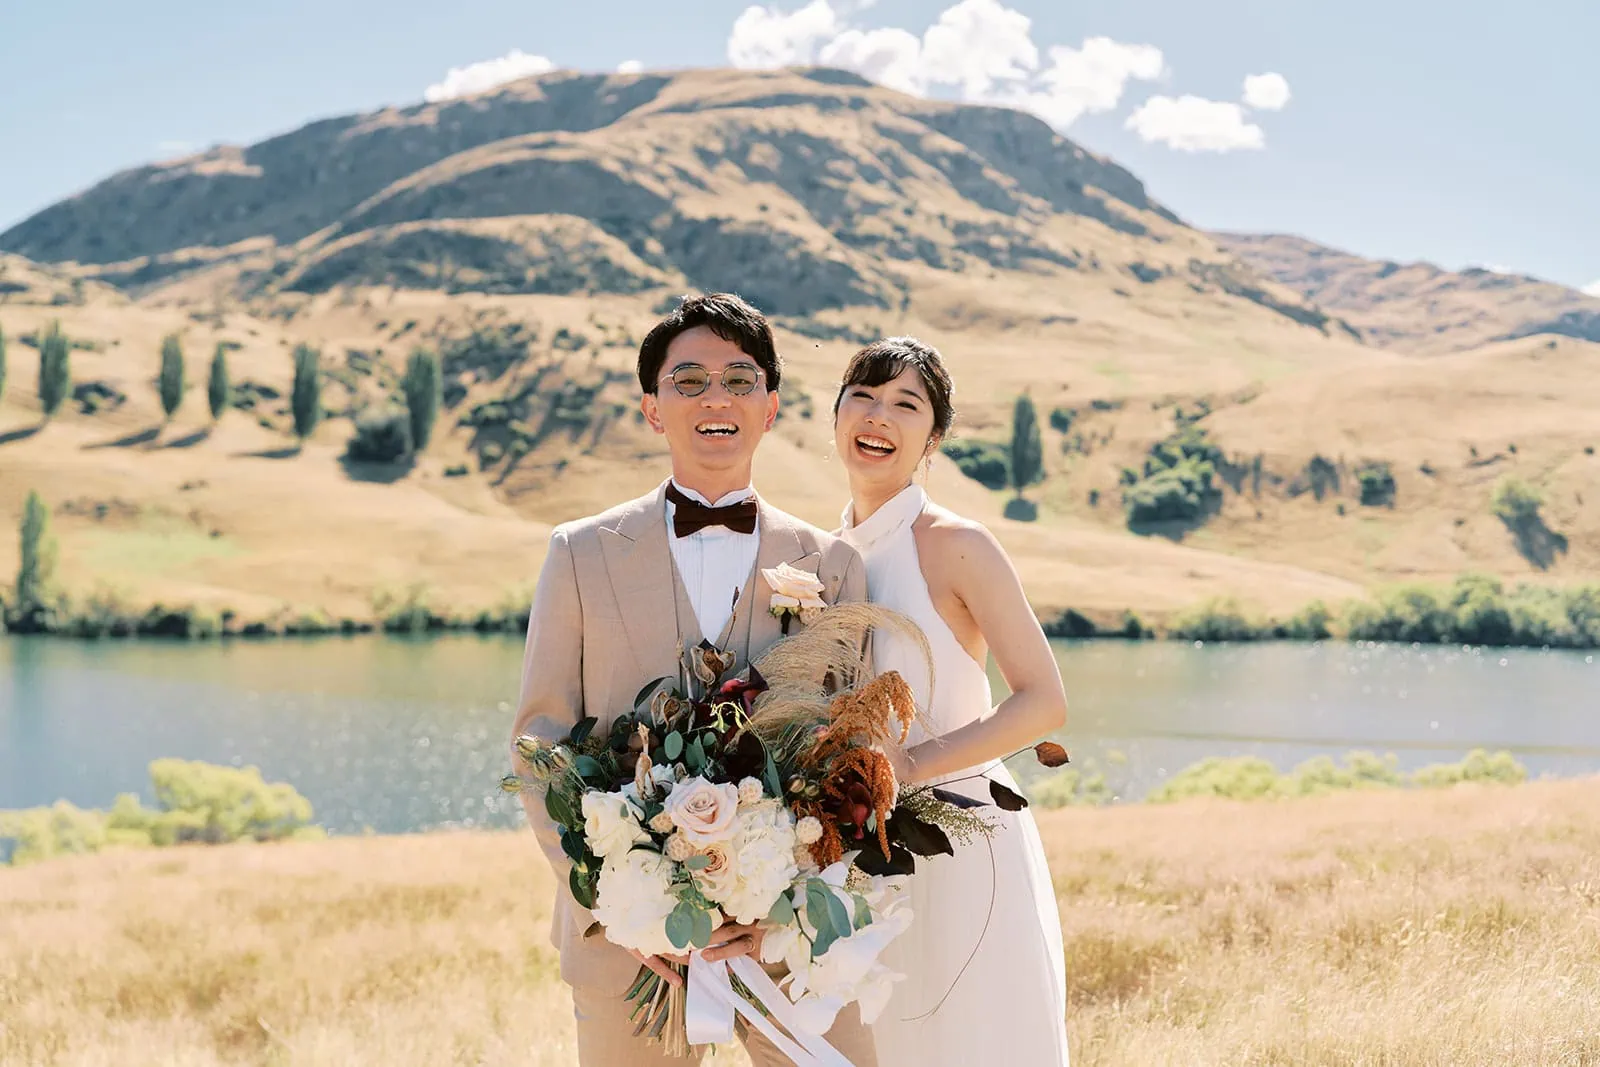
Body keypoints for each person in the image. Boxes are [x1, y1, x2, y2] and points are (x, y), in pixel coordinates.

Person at [509, 293, 879, 1066]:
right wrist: (622, 907)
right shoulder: (579, 553)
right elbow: (538, 740)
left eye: (741, 380)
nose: (717, 398)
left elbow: (856, 751)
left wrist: (784, 893)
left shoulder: (833, 565)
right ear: (652, 407)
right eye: (689, 381)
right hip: (628, 947)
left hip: (794, 940)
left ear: (771, 407)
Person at [833, 336, 1072, 1066]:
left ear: (932, 438)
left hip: (963, 841)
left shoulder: (957, 544)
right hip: (856, 851)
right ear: (837, 413)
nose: (879, 417)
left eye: (906, 404)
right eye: (864, 397)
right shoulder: (822, 552)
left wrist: (912, 763)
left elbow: (1044, 701)